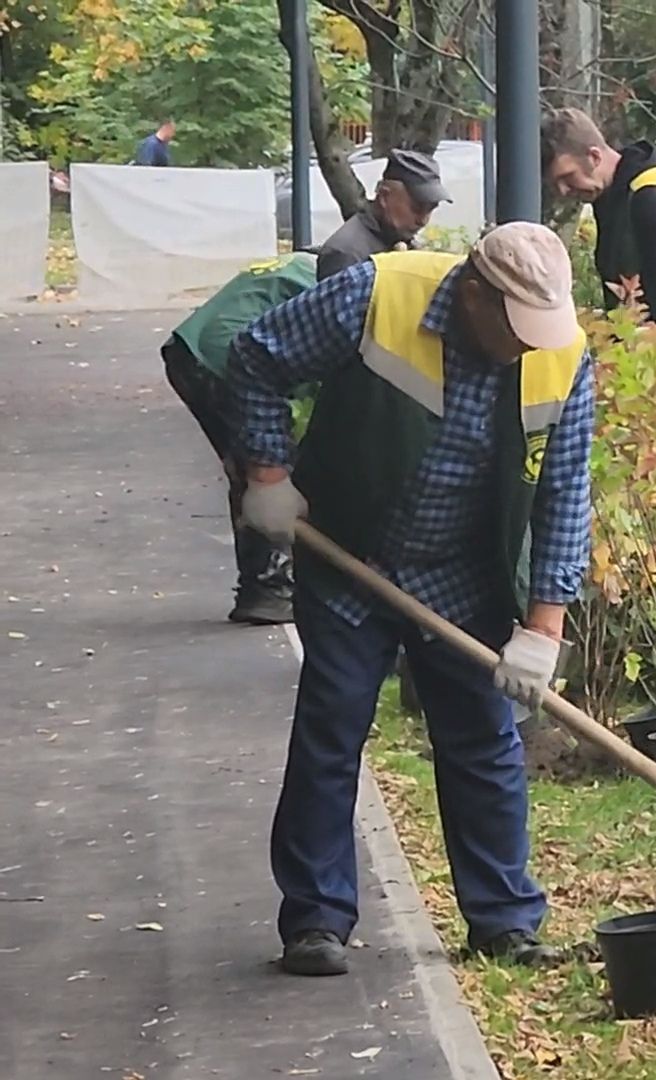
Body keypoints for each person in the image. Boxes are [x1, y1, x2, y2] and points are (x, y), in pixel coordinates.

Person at [225, 223, 592, 977]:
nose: (527, 347)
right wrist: (267, 474)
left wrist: (543, 626)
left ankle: (503, 920)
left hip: (465, 570)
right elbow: (256, 356)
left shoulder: (562, 355)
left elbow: (564, 490)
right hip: (351, 552)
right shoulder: (377, 293)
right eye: (515, 328)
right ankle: (316, 920)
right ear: (477, 295)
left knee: (484, 739)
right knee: (333, 728)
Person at [161, 254, 319, 625]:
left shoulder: (305, 267)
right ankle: (269, 588)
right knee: (268, 465)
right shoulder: (341, 293)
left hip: (189, 350)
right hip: (225, 359)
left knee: (251, 465)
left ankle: (266, 585)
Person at [540, 107, 656, 320]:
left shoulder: (650, 196)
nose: (563, 190)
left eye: (568, 176)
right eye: (556, 184)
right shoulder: (612, 198)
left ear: (594, 156)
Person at [314, 149, 449, 280]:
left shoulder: (399, 239)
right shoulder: (346, 254)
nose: (423, 220)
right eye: (417, 208)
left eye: (431, 209)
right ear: (385, 196)